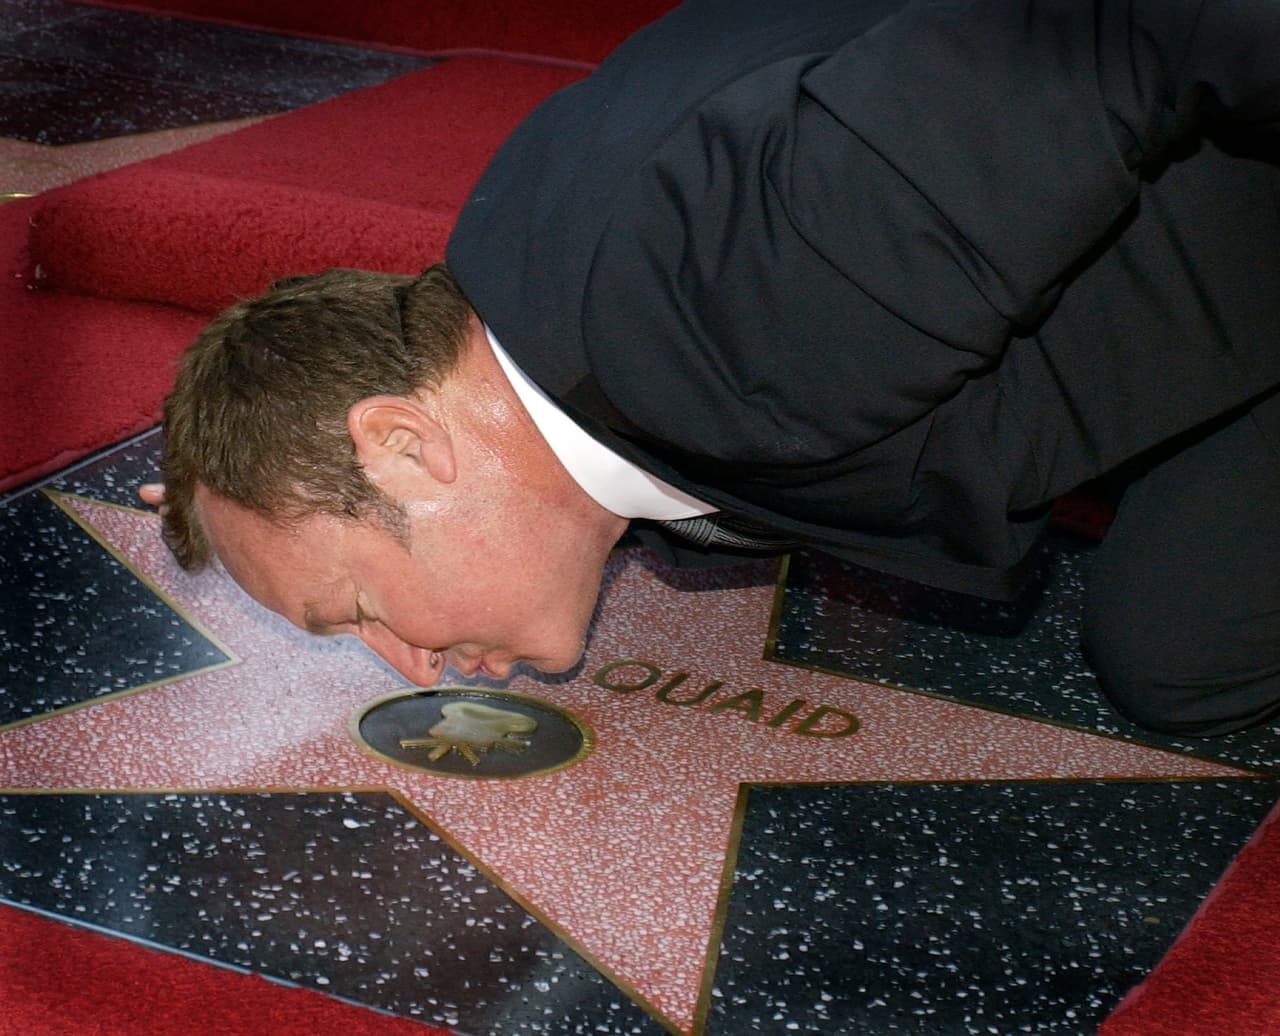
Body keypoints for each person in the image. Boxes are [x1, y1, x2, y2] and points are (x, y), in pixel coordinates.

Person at [144, 0, 1280, 736]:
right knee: (1178, 660)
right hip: (1209, 267)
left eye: (355, 608)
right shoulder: (538, 300)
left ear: (402, 443)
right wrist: (233, 478)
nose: (410, 666)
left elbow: (1126, 22)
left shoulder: (736, 308)